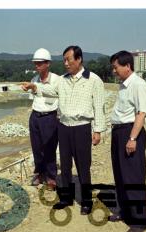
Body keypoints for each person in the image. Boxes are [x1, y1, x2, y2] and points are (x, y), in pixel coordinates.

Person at [21, 46, 106, 215]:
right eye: (64, 60)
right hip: (64, 127)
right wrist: (35, 87)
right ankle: (66, 198)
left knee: (83, 166)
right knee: (65, 166)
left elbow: (99, 106)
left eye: (69, 59)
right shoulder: (63, 80)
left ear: (79, 59)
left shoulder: (93, 80)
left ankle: (86, 201)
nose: (66, 63)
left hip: (82, 127)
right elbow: (51, 91)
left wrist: (98, 130)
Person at [107, 50, 146, 232]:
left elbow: (141, 113)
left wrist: (132, 138)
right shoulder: (123, 85)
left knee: (133, 177)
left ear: (127, 66)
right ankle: (125, 212)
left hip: (130, 132)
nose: (114, 71)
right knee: (120, 176)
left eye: (116, 67)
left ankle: (140, 221)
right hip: (119, 132)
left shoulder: (139, 84)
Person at [27, 48, 60, 191]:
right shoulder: (34, 79)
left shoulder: (57, 80)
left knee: (49, 147)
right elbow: (32, 99)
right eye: (35, 63)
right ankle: (40, 173)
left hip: (50, 117)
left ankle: (51, 177)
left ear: (48, 63)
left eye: (40, 63)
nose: (37, 66)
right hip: (35, 115)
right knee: (36, 147)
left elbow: (58, 96)